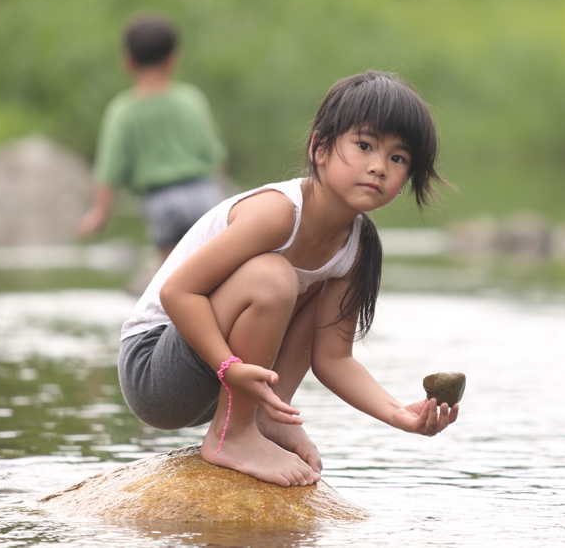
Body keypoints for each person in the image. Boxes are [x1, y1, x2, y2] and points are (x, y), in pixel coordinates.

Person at [118, 71, 458, 487]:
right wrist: (229, 366)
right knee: (273, 275)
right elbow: (179, 291)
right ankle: (233, 435)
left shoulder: (356, 246)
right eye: (364, 146)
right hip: (156, 369)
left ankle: (266, 416)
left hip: (229, 377)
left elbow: (334, 358)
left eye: (398, 158)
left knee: (307, 290)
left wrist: (399, 414)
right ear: (319, 148)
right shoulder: (279, 212)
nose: (378, 167)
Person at [78, 14, 226, 261]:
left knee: (171, 271)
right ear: (173, 59)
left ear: (128, 62)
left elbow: (109, 170)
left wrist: (99, 213)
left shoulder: (123, 111)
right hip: (202, 192)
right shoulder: (191, 99)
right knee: (213, 263)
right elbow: (216, 155)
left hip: (159, 199)